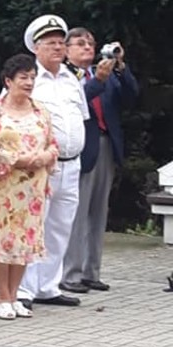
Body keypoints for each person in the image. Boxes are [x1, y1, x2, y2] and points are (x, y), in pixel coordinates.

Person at [0, 54, 58, 319]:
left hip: (33, 189)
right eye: (23, 77)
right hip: (3, 188)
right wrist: (17, 160)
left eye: (32, 77)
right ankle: (1, 296)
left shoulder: (41, 110)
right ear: (8, 81)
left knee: (25, 241)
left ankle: (15, 295)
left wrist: (44, 157)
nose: (29, 82)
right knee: (1, 240)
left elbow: (53, 143)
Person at [16, 15, 89, 310]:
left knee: (60, 227)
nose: (58, 47)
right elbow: (9, 117)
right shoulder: (27, 78)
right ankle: (24, 289)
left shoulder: (72, 79)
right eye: (50, 43)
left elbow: (81, 117)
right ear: (36, 47)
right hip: (39, 166)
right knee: (34, 225)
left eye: (61, 42)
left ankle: (48, 286)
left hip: (71, 163)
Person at [60, 27, 139, 293]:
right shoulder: (64, 76)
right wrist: (99, 82)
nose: (88, 47)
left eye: (91, 43)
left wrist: (121, 67)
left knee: (98, 212)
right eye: (80, 43)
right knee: (77, 212)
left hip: (107, 145)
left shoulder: (103, 72)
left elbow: (131, 96)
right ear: (67, 49)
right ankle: (70, 274)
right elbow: (76, 102)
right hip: (82, 147)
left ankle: (91, 272)